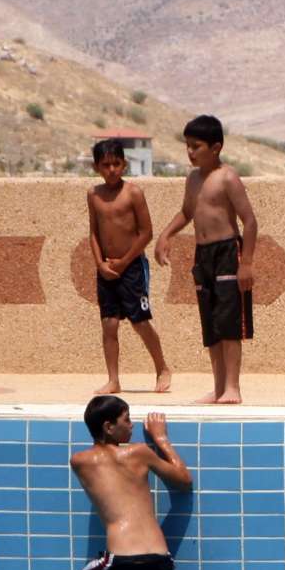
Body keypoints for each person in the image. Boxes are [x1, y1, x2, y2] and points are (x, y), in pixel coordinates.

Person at [69, 395, 201, 570]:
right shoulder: (141, 453)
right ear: (109, 427)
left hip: (124, 562)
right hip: (160, 561)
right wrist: (161, 439)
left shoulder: (79, 462)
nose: (131, 425)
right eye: (126, 420)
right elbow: (184, 480)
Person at [153, 115, 255, 404]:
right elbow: (187, 212)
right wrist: (166, 235)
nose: (190, 152)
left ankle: (233, 387)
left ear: (216, 147)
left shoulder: (227, 178)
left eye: (196, 146)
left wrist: (246, 262)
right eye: (187, 146)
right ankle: (219, 386)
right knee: (211, 322)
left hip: (227, 253)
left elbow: (249, 221)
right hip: (204, 255)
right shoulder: (194, 179)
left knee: (229, 322)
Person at [87, 138, 171, 395]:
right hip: (107, 269)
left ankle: (162, 368)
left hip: (132, 267)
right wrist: (100, 264)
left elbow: (146, 232)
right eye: (105, 165)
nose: (111, 169)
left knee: (140, 322)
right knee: (109, 324)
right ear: (96, 167)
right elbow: (93, 232)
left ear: (124, 164)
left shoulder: (133, 193)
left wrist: (124, 262)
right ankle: (113, 379)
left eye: (116, 164)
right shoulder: (93, 195)